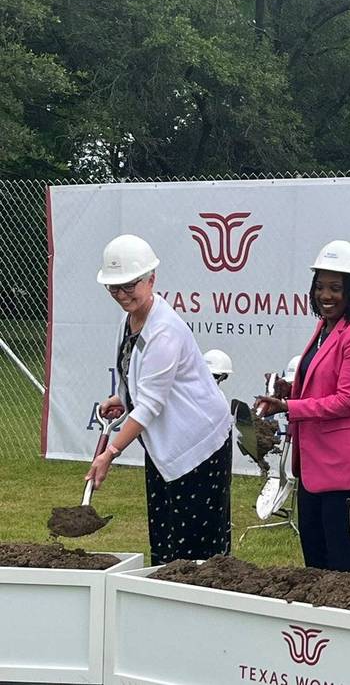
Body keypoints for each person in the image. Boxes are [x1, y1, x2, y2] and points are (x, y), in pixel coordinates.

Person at [88, 234, 233, 565]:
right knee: (166, 535)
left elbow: (151, 406)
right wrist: (122, 397)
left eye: (129, 285)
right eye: (114, 288)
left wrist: (109, 454)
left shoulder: (165, 330)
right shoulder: (128, 319)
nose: (122, 295)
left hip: (198, 444)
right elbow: (136, 377)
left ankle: (199, 607)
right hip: (165, 447)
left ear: (151, 279)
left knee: (197, 549)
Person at [256, 240, 350, 572]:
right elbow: (321, 383)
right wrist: (290, 389)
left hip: (347, 465)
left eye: (335, 288)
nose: (325, 295)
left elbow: (346, 401)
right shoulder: (324, 328)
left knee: (343, 561)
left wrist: (288, 406)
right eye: (320, 286)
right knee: (314, 556)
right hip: (317, 463)